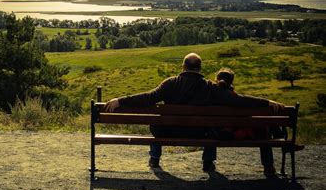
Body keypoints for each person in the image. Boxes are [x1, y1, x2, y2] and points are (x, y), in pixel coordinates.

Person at [104, 53, 285, 173]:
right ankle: (207, 162)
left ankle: (154, 158)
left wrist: (120, 100)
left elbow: (148, 98)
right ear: (199, 68)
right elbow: (239, 100)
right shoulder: (210, 87)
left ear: (183, 67)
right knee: (213, 122)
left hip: (168, 132)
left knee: (158, 120)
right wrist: (267, 102)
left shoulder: (170, 83)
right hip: (202, 133)